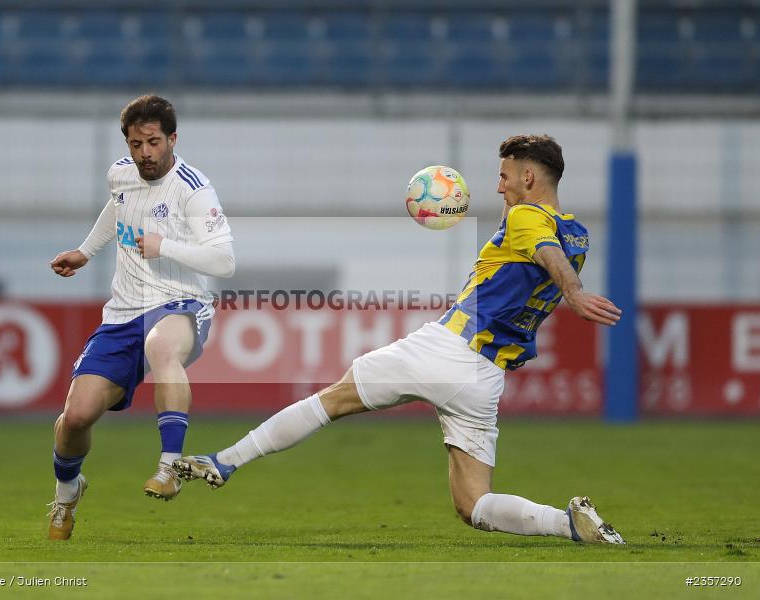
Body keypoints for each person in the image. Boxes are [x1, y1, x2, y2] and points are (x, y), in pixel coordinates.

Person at [175, 134, 626, 544]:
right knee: (473, 505)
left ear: (529, 177)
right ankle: (568, 523)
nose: (497, 187)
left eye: (504, 176)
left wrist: (573, 292)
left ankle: (225, 460)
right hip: (485, 377)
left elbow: (544, 252)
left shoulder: (528, 217)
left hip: (448, 348)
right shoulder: (577, 235)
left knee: (330, 400)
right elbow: (544, 250)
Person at [46, 95, 235, 541]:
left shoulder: (194, 189)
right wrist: (85, 252)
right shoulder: (121, 174)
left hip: (181, 302)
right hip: (123, 313)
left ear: (172, 139)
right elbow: (117, 207)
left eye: (153, 142)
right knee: (74, 418)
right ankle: (67, 493)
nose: (144, 153)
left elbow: (224, 261)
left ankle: (169, 468)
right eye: (136, 144)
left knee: (162, 347)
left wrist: (164, 245)